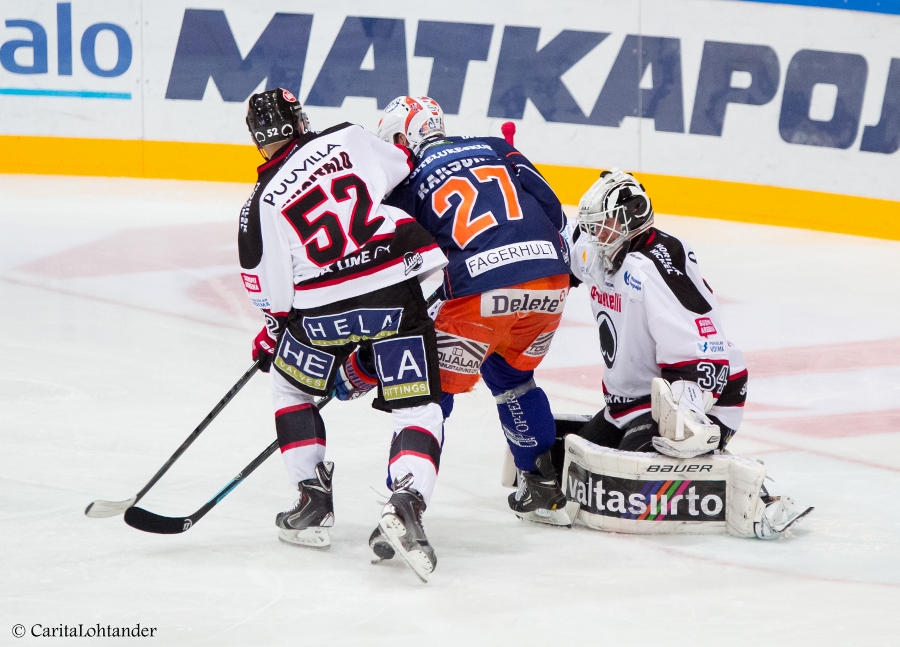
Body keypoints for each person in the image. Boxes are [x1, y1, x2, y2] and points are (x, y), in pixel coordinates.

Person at [238, 88, 449, 580]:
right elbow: (403, 165)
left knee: (291, 387)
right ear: (300, 118)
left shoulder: (260, 203)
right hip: (398, 286)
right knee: (416, 405)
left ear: (257, 139)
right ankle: (407, 503)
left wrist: (273, 333)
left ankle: (312, 503)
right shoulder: (348, 138)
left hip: (321, 312)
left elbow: (272, 293)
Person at [560, 168, 812, 538]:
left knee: (638, 469)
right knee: (579, 456)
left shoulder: (656, 267)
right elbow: (566, 242)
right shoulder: (601, 251)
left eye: (606, 224)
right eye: (595, 225)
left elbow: (703, 350)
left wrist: (685, 416)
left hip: (702, 391)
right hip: (631, 402)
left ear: (632, 218)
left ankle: (758, 499)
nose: (598, 233)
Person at [368, 95, 574, 526]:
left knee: (426, 392)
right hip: (550, 281)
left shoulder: (404, 184)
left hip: (480, 292)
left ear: (404, 137)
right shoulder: (495, 146)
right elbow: (552, 208)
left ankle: (407, 497)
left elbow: (398, 259)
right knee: (513, 376)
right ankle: (541, 483)